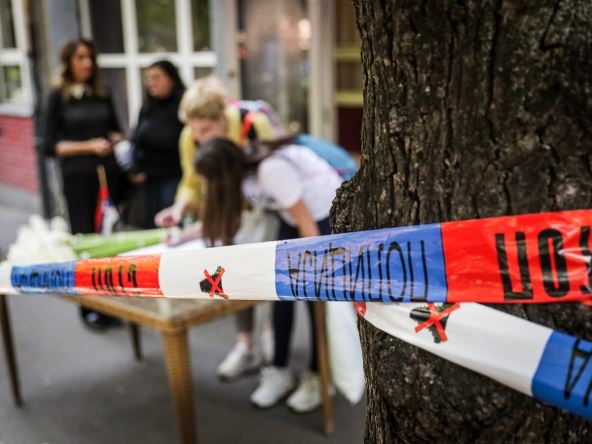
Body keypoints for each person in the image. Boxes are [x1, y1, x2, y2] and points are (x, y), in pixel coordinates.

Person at [194, 137, 343, 412]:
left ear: (222, 174)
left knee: (314, 299)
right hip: (293, 219)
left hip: (321, 219)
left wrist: (315, 266)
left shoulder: (270, 170)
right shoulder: (245, 179)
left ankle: (319, 376)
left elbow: (306, 222)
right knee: (281, 294)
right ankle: (279, 370)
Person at [158, 77, 285, 381]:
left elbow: (277, 177)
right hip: (224, 215)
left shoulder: (253, 126)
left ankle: (273, 344)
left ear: (221, 117)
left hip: (260, 214)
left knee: (267, 281)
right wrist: (179, 208)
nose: (199, 137)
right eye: (194, 130)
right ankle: (245, 346)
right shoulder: (189, 137)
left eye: (205, 129)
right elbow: (191, 181)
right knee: (234, 279)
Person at [43, 38, 125, 331]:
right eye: (80, 57)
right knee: (86, 239)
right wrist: (88, 146)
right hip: (78, 178)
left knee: (108, 238)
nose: (87, 63)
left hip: (107, 175)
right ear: (69, 61)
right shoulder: (57, 96)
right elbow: (49, 146)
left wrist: (113, 140)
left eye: (90, 57)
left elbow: (117, 129)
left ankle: (111, 303)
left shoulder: (103, 92)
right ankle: (90, 306)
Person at [128, 60, 185, 228]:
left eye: (157, 77)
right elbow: (136, 139)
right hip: (148, 179)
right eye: (149, 78)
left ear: (171, 79)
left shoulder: (182, 106)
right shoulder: (147, 107)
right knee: (150, 225)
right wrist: (134, 167)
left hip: (173, 177)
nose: (151, 82)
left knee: (169, 224)